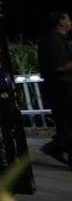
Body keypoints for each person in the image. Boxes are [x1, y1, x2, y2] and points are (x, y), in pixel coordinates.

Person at [37, 11, 72, 166]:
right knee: (67, 123)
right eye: (68, 19)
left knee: (66, 124)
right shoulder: (52, 41)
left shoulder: (61, 40)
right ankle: (55, 147)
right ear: (61, 22)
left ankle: (55, 147)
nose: (71, 22)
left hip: (64, 86)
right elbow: (56, 66)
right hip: (60, 88)